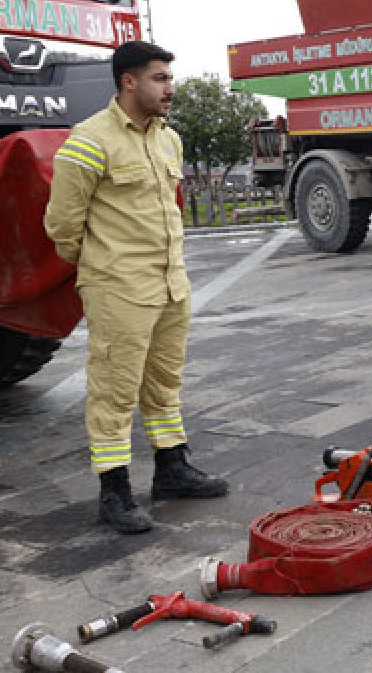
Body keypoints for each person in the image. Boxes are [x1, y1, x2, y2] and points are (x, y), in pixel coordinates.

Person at [43, 41, 228, 534]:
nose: (170, 88)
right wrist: (104, 269)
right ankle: (114, 491)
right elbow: (62, 226)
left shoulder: (169, 139)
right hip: (120, 287)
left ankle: (172, 469)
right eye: (160, 78)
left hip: (170, 283)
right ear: (129, 82)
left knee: (164, 381)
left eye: (169, 77)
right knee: (114, 390)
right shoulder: (88, 141)